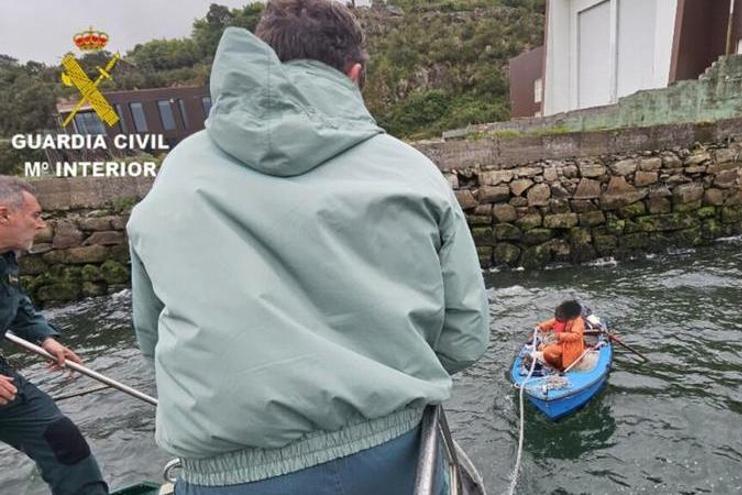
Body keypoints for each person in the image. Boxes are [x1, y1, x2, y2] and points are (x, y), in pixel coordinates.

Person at [126, 1, 490, 493]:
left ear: (262, 58)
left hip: (228, 477)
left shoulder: (174, 176)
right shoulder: (410, 170)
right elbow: (464, 337)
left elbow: (152, 338)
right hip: (395, 460)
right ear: (354, 74)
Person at [0, 176, 108, 495]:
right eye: (35, 215)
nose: (42, 225)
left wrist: (44, 337)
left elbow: (14, 301)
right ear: (4, 215)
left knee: (62, 440)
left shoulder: (6, 258)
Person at [533, 300, 587, 371]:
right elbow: (551, 322)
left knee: (548, 352)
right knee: (541, 347)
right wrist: (540, 327)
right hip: (560, 342)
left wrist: (559, 335)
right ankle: (551, 361)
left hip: (571, 346)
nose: (557, 318)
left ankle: (559, 366)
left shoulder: (578, 321)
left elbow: (576, 335)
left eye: (559, 316)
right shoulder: (561, 318)